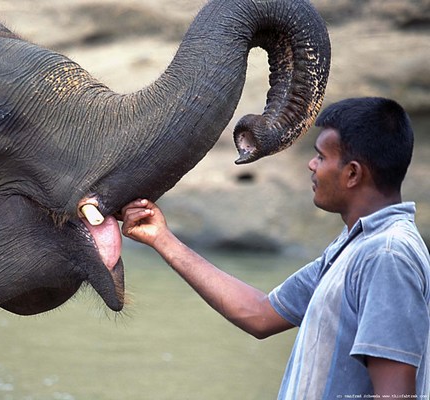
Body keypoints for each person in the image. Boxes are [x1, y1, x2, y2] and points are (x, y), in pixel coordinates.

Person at [120, 97, 430, 398]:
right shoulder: (354, 246)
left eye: (321, 156)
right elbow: (259, 313)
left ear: (352, 174)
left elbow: (396, 394)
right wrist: (161, 238)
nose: (312, 164)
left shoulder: (387, 255)